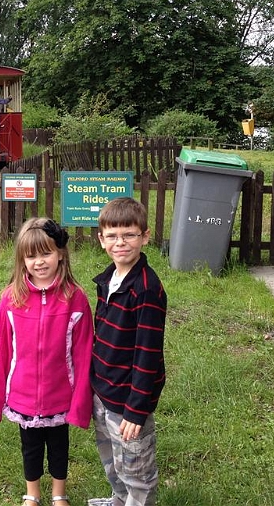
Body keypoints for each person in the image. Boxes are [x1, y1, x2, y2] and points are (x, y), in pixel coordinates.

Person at [0, 218, 94, 506]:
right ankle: (32, 494)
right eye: (31, 256)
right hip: (23, 395)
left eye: (46, 253)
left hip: (61, 394)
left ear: (61, 254)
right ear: (22, 260)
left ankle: (59, 494)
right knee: (30, 448)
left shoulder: (76, 298)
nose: (39, 262)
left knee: (59, 446)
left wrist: (81, 403)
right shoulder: (11, 299)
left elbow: (84, 354)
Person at [87, 198, 167, 506]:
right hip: (104, 390)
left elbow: (147, 354)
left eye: (129, 234)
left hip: (129, 399)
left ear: (144, 236)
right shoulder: (108, 279)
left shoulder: (146, 289)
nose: (120, 242)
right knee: (111, 456)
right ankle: (119, 499)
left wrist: (136, 409)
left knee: (136, 468)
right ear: (102, 239)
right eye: (112, 236)